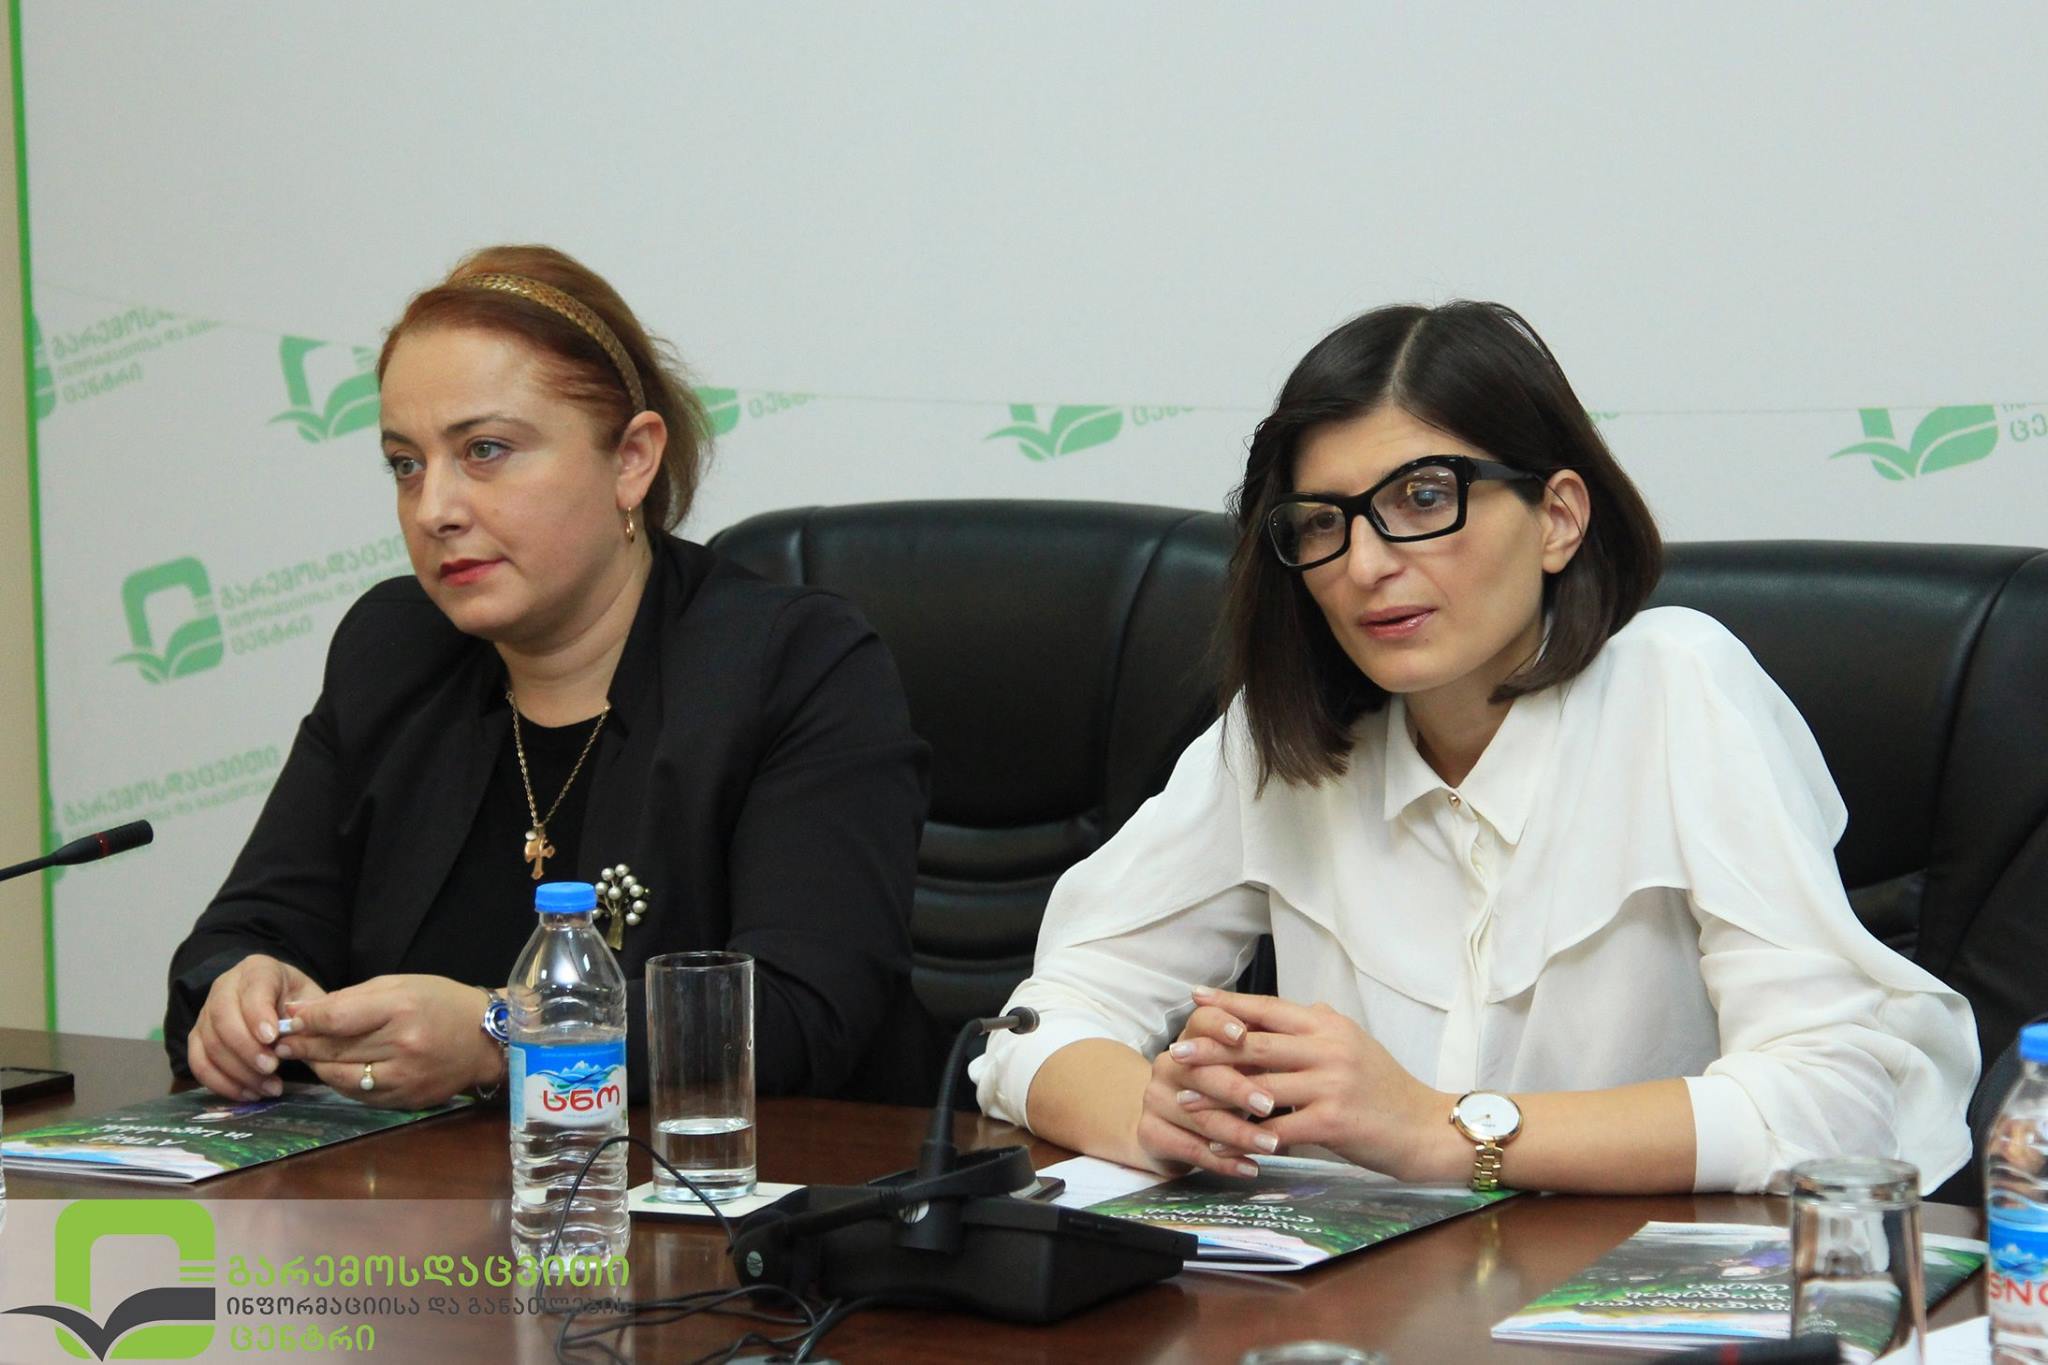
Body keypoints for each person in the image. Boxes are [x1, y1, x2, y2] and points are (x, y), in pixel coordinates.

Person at [973, 301, 1978, 1195]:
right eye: (1321, 523)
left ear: (1557, 518)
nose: (1366, 563)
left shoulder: (1679, 688)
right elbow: (1039, 1025)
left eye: (1422, 498)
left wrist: (1439, 1129)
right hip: (1356, 1301)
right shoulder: (1281, 737)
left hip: (1634, 1297)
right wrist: (1152, 1112)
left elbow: (1830, 1104)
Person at [166, 245, 928, 1109]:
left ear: (631, 460)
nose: (434, 509)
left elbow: (801, 1013)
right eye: (406, 463)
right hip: (425, 1187)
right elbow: (242, 934)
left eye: (485, 450)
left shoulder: (795, 664)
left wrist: (505, 1034)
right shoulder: (393, 649)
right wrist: (242, 989)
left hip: (728, 1182)